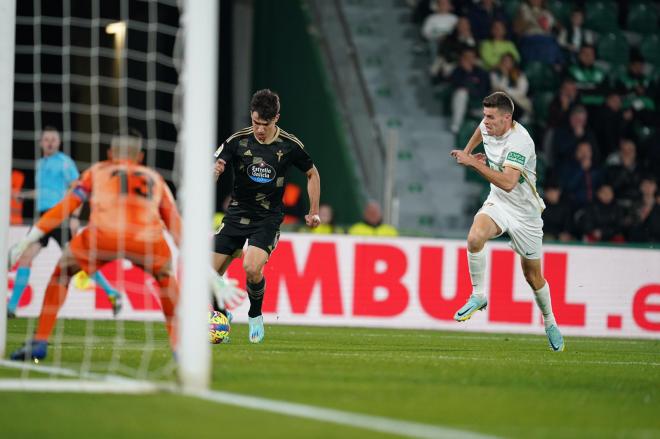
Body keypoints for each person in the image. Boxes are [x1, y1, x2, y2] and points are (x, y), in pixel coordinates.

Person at [9, 131, 181, 360]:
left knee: (62, 271)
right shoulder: (155, 178)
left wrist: (27, 238)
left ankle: (40, 340)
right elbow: (177, 228)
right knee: (166, 277)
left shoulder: (97, 170)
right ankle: (180, 348)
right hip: (145, 239)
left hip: (102, 235)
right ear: (140, 156)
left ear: (109, 154)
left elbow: (66, 205)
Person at [449, 91, 565, 351]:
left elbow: (509, 183)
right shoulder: (488, 124)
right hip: (499, 203)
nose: (485, 121)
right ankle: (478, 295)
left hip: (526, 214)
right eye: (484, 115)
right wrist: (468, 152)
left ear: (507, 118)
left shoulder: (520, 141)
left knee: (533, 276)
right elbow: (480, 131)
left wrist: (474, 164)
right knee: (474, 237)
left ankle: (550, 322)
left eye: (490, 117)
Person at [212, 89, 321, 343]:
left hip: (267, 219)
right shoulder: (237, 141)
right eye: (255, 123)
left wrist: (313, 211)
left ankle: (255, 314)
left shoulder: (289, 145)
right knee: (206, 275)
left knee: (251, 267)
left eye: (265, 124)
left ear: (277, 119)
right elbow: (214, 166)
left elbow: (312, 173)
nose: (259, 129)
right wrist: (215, 171)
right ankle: (221, 315)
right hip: (237, 214)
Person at [7, 127, 116, 319]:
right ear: (41, 142)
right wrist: (25, 195)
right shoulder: (40, 164)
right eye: (47, 139)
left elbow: (79, 189)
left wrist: (74, 217)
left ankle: (111, 293)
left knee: (79, 260)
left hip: (59, 218)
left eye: (53, 139)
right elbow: (45, 191)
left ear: (59, 143)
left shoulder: (65, 163)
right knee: (25, 257)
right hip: (43, 218)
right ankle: (12, 307)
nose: (50, 142)